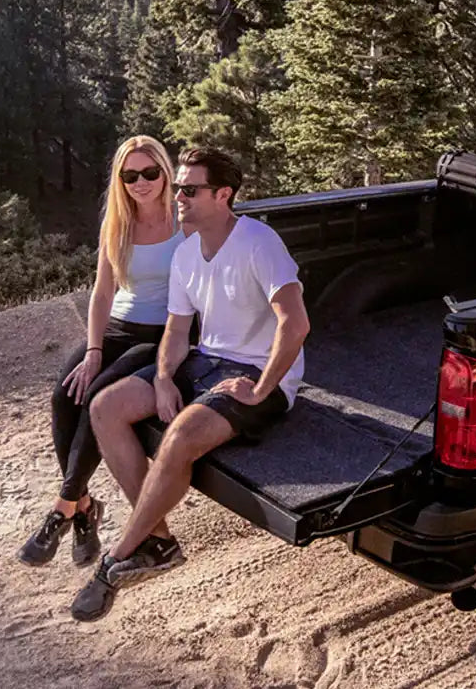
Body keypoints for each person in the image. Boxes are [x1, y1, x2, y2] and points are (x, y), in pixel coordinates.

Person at [70, 148, 310, 621]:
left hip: (255, 372)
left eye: (190, 189)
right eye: (178, 187)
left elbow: (296, 323)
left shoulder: (259, 242)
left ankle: (116, 559)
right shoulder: (185, 253)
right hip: (205, 359)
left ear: (223, 195)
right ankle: (158, 540)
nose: (178, 196)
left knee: (179, 435)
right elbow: (178, 330)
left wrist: (262, 389)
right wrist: (162, 377)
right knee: (105, 407)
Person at [18, 136, 186, 569]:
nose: (140, 182)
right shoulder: (118, 222)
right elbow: (103, 292)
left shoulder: (184, 220)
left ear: (165, 172)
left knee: (97, 398)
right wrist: (93, 349)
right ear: (120, 180)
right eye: (130, 175)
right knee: (65, 393)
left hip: (161, 331)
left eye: (149, 172)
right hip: (116, 328)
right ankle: (84, 505)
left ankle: (65, 505)